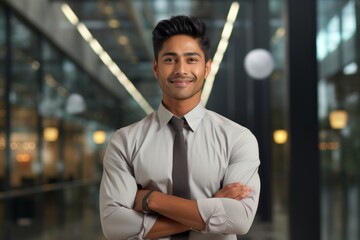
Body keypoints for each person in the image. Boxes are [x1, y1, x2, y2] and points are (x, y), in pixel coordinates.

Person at [99, 15, 260, 240]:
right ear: (156, 68)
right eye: (170, 59)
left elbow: (240, 219)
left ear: (207, 68)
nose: (181, 69)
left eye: (191, 59)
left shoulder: (238, 138)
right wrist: (213, 207)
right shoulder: (125, 141)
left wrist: (151, 200)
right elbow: (114, 226)